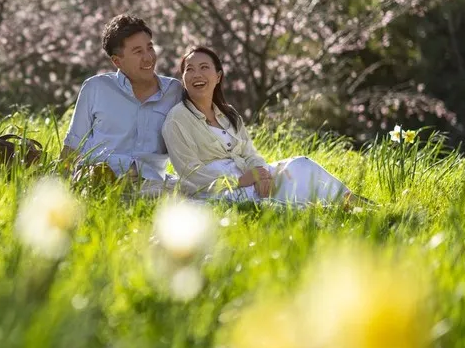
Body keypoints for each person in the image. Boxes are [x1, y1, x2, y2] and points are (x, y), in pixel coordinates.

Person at [161, 46, 362, 205]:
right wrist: (239, 181)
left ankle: (357, 204)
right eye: (190, 70)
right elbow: (191, 174)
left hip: (249, 176)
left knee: (301, 164)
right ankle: (326, 208)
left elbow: (250, 153)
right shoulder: (176, 120)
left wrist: (261, 174)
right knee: (277, 201)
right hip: (221, 191)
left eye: (204, 67)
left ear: (218, 76)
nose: (197, 74)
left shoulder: (228, 114)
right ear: (183, 80)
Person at [60, 14, 184, 194]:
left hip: (152, 185)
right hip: (99, 182)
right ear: (117, 61)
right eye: (138, 52)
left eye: (150, 48)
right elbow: (72, 146)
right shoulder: (96, 88)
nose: (148, 58)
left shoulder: (173, 91)